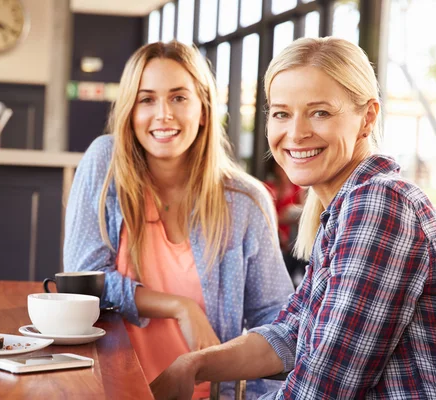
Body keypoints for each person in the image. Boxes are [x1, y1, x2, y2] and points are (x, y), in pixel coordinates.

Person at [150, 36, 436, 400]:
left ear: (368, 117)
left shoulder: (380, 204)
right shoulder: (345, 209)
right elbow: (293, 332)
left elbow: (323, 388)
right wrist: (192, 365)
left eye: (320, 112)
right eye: (282, 113)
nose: (296, 133)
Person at [64, 41, 295, 399]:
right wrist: (179, 307)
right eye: (147, 99)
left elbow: (277, 321)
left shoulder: (246, 201)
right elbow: (83, 279)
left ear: (203, 109)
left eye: (178, 98)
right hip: (111, 388)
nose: (163, 114)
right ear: (130, 110)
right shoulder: (105, 164)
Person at [263, 157, 306, 285]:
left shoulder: (297, 188)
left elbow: (303, 215)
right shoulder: (267, 188)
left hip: (292, 240)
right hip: (273, 236)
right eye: (278, 166)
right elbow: (264, 217)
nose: (282, 170)